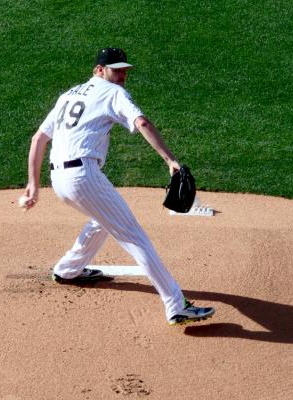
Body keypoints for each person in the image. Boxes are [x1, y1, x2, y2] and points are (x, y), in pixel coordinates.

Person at [21, 48, 214, 326]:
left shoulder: (69, 95)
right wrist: (170, 160)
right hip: (83, 177)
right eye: (116, 70)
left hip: (60, 180)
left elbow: (38, 139)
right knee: (135, 238)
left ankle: (68, 269)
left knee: (102, 219)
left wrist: (33, 185)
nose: (122, 75)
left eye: (124, 70)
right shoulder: (112, 93)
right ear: (99, 70)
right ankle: (176, 305)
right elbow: (142, 122)